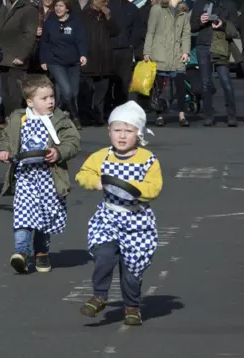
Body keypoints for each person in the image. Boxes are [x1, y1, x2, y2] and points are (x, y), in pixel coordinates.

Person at [76, 101, 162, 326]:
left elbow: (154, 187)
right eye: (117, 130)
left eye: (128, 131)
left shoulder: (147, 159)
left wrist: (134, 189)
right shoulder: (101, 156)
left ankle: (132, 306)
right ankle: (100, 295)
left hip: (137, 220)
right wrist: (96, 182)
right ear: (109, 131)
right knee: (104, 256)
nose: (122, 136)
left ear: (139, 133)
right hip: (109, 217)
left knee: (132, 270)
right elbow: (83, 174)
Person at [0, 75, 80, 274]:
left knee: (45, 216)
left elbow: (72, 141)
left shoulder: (60, 120)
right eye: (44, 98)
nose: (50, 101)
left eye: (51, 96)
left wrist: (59, 152)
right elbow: (7, 139)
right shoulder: (19, 118)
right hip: (25, 177)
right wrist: (4, 151)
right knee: (23, 216)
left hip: (50, 177)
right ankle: (21, 253)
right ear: (30, 102)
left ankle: (41, 252)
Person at [190, 0, 238, 127]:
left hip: (221, 45)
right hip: (203, 45)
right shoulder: (200, 3)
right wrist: (200, 21)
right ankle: (208, 115)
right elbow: (191, 27)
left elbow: (236, 27)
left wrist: (222, 23)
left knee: (226, 81)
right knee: (206, 83)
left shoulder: (229, 4)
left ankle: (231, 115)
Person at [143, 0, 191, 127]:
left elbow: (186, 34)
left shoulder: (184, 12)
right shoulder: (157, 10)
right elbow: (150, 31)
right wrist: (147, 52)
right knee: (159, 86)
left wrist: (186, 52)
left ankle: (182, 115)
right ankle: (159, 115)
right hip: (160, 53)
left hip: (177, 54)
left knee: (180, 85)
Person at [40, 0, 88, 128]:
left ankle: (57, 116)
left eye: (61, 6)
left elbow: (81, 40)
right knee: (66, 91)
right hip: (55, 62)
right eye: (56, 6)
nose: (57, 8)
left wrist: (83, 54)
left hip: (73, 63)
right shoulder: (50, 22)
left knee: (72, 93)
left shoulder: (75, 22)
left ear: (67, 8)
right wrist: (43, 59)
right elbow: (44, 42)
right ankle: (76, 117)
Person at [0, 0, 39, 118]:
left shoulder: (28, 8)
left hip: (17, 57)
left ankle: (15, 121)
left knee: (15, 94)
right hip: (3, 56)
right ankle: (10, 120)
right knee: (5, 93)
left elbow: (30, 35)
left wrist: (22, 56)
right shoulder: (4, 5)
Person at [108, 0, 140, 109]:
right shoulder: (107, 6)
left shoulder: (132, 8)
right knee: (109, 81)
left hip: (125, 50)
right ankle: (108, 108)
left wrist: (131, 44)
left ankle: (122, 108)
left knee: (124, 82)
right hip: (110, 49)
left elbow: (137, 29)